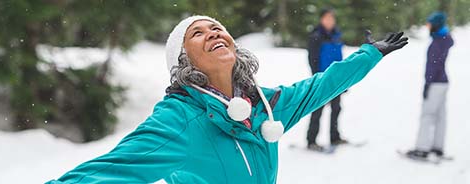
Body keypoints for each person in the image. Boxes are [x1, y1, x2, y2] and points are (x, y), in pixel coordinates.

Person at [46, 15, 408, 184]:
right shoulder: (179, 121)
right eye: (197, 33)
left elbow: (319, 87)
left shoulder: (265, 105)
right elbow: (102, 175)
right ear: (182, 60)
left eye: (216, 27)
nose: (213, 31)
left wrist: (369, 54)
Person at [406, 12, 454, 159]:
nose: (427, 26)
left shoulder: (437, 43)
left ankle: (422, 149)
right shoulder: (444, 39)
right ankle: (437, 147)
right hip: (443, 82)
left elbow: (433, 66)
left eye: (430, 23)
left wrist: (428, 84)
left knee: (427, 115)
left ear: (436, 25)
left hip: (435, 83)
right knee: (440, 115)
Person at [306, 9, 346, 151]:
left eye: (331, 18)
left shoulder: (336, 35)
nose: (329, 21)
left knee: (336, 108)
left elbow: (340, 59)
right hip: (322, 79)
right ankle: (311, 141)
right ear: (322, 19)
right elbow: (312, 59)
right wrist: (317, 78)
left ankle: (334, 137)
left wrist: (343, 79)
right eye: (326, 18)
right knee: (318, 109)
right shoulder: (316, 35)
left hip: (336, 79)